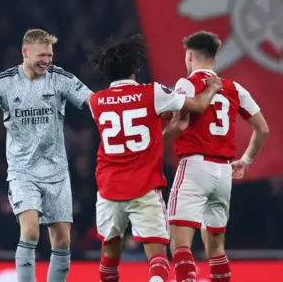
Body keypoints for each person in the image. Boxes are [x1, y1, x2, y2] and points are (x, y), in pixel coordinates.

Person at [0, 29, 93, 282]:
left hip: (57, 172)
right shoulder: (5, 83)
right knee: (30, 232)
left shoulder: (60, 79)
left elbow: (95, 104)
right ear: (25, 52)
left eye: (50, 55)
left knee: (62, 240)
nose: (47, 60)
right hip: (23, 172)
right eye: (42, 55)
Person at [87, 34, 223, 282]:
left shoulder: (96, 102)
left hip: (109, 188)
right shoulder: (153, 93)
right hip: (144, 186)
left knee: (109, 253)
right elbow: (196, 106)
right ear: (135, 69)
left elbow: (128, 121)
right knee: (157, 256)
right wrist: (212, 88)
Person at [163, 31, 270, 282]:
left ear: (189, 55)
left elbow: (179, 125)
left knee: (180, 244)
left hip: (194, 167)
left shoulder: (186, 83)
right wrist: (246, 160)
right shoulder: (235, 88)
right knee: (216, 248)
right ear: (214, 57)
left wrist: (156, 143)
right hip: (223, 173)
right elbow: (263, 128)